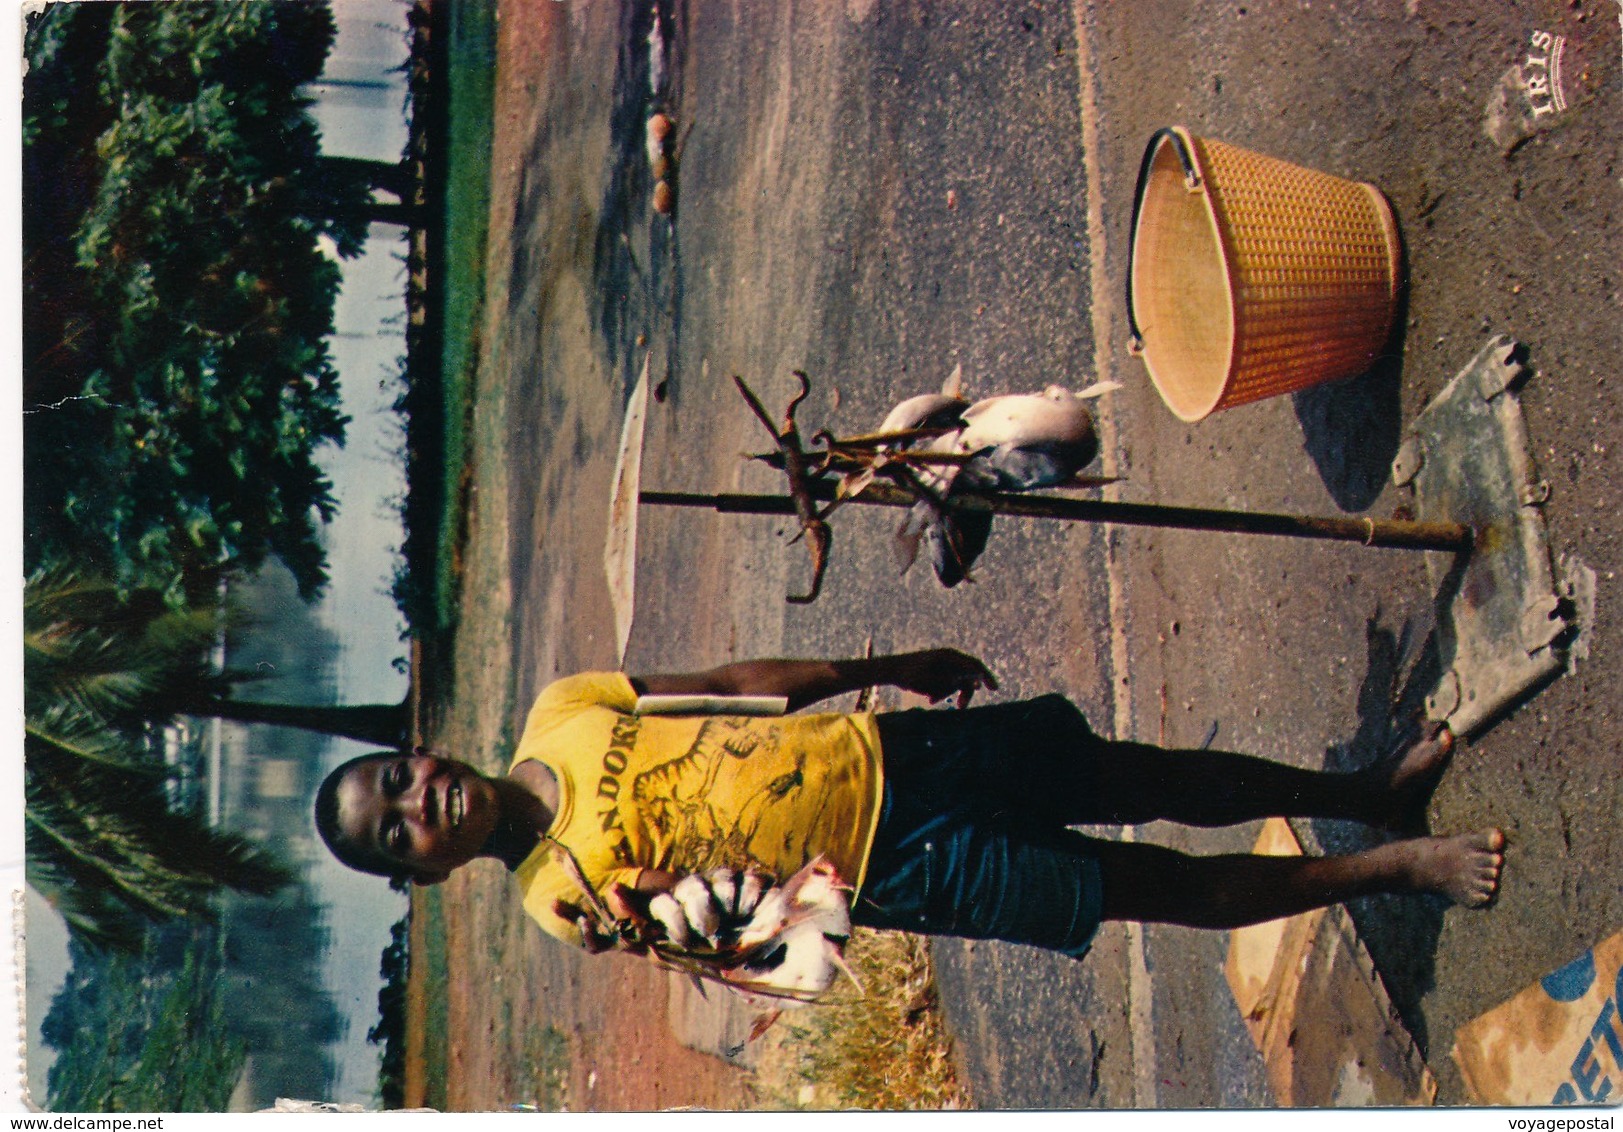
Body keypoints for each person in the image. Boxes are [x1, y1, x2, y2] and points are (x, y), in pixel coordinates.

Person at [314, 648, 1503, 962]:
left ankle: (1366, 792)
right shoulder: (557, 903)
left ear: (419, 751)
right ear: (421, 873)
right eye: (400, 827)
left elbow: (730, 687)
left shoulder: (562, 706)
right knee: (1151, 891)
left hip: (899, 748)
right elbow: (745, 941)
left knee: (1149, 774)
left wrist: (881, 668)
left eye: (399, 776)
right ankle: (1390, 871)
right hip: (899, 875)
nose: (422, 798)